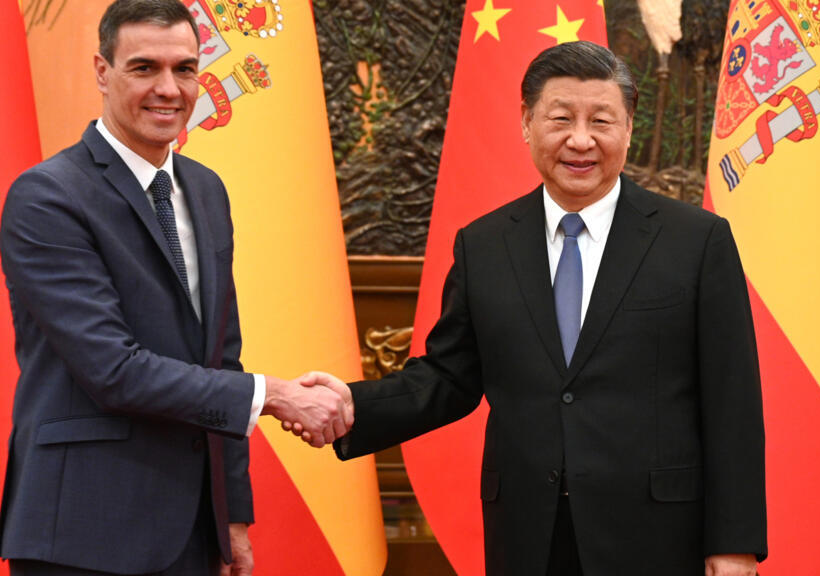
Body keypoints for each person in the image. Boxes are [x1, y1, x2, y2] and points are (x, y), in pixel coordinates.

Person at [309, 41, 767, 576]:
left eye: (601, 120)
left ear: (628, 127)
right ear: (527, 122)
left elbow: (732, 401)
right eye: (560, 118)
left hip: (657, 537)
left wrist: (734, 545)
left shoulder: (696, 240)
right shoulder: (484, 245)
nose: (580, 139)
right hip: (529, 535)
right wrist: (349, 405)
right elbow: (448, 379)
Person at [0, 1, 350, 575]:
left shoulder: (206, 190)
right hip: (84, 533)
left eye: (185, 69)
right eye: (144, 68)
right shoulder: (47, 197)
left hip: (191, 532)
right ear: (102, 71)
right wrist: (276, 395)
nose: (170, 89)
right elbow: (113, 369)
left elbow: (220, 357)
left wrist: (230, 516)